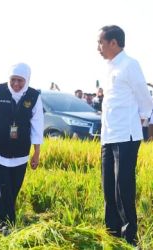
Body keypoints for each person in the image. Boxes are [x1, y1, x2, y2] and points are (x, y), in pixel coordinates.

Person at [97, 25, 153, 246]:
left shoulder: (130, 65)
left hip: (126, 137)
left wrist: (142, 120)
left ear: (113, 42)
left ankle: (129, 238)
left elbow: (144, 97)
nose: (98, 47)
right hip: (108, 136)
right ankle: (111, 234)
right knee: (108, 186)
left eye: (100, 42)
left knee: (123, 188)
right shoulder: (108, 67)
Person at [0, 63, 44, 235]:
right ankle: (7, 225)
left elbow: (37, 125)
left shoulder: (33, 96)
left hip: (20, 153)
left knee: (13, 189)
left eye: (20, 81)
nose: (15, 84)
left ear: (27, 80)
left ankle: (2, 222)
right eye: (13, 80)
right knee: (2, 186)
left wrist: (36, 152)